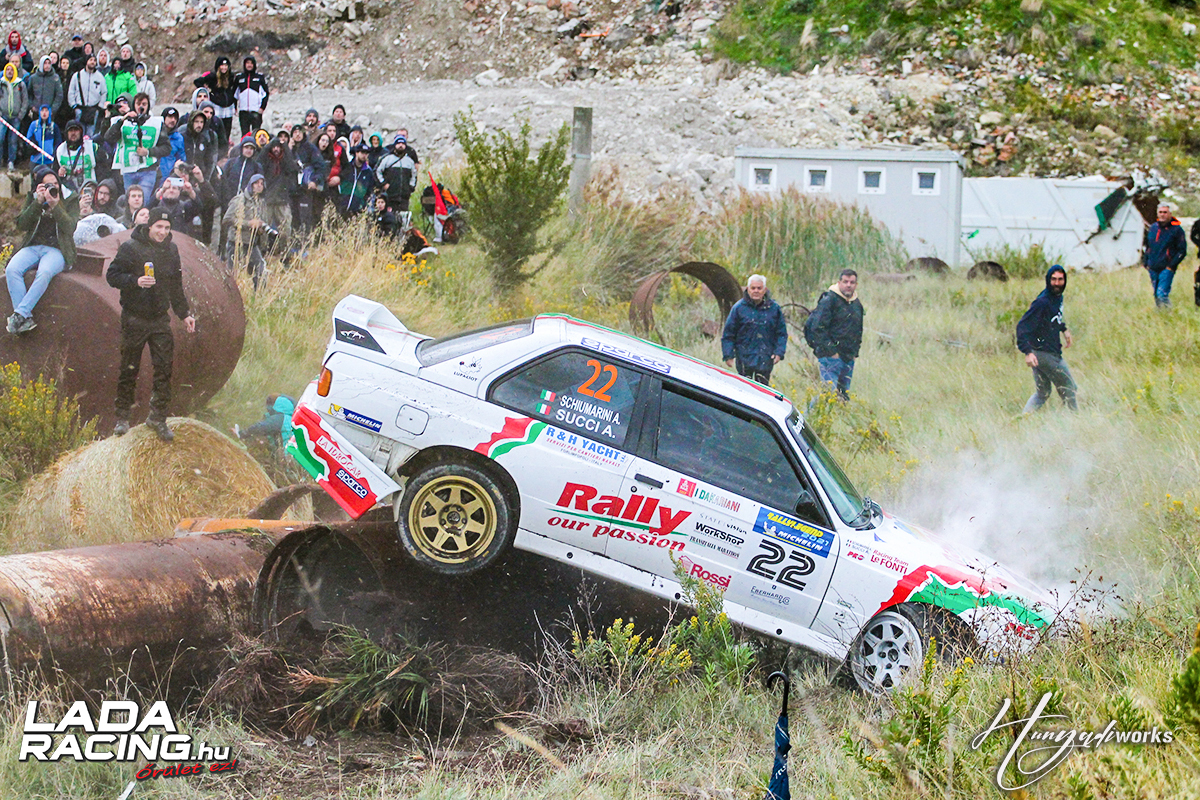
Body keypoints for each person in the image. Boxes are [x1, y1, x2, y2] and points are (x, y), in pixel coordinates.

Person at [106, 207, 195, 441]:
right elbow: (112, 276)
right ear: (149, 226)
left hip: (159, 319)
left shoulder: (171, 250)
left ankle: (158, 418)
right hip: (134, 317)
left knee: (164, 369)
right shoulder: (130, 247)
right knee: (129, 368)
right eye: (159, 227)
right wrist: (135, 281)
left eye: (167, 228)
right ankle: (122, 417)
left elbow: (176, 285)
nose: (163, 232)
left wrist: (185, 314)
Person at [6, 167, 78, 334]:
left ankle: (20, 314)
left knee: (44, 272)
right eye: (47, 185)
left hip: (57, 249)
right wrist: (37, 203)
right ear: (39, 186)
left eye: (55, 184)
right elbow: (22, 225)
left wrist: (56, 206)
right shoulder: (34, 198)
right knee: (11, 269)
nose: (52, 188)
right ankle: (25, 318)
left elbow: (70, 228)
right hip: (33, 246)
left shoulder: (70, 198)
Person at [1016, 264, 1077, 413]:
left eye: (1060, 279)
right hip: (1046, 354)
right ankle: (1077, 421)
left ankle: (1021, 420)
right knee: (1070, 389)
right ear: (1048, 280)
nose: (1057, 283)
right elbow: (1022, 326)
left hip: (1040, 353)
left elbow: (1052, 316)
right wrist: (1027, 352)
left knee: (1042, 393)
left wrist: (1063, 329)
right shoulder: (1042, 302)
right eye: (1053, 279)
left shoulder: (1057, 297)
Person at [804, 269, 863, 400]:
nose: (848, 285)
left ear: (856, 285)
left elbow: (858, 330)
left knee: (843, 396)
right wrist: (831, 352)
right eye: (845, 282)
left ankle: (837, 415)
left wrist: (855, 353)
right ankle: (809, 414)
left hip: (848, 357)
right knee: (828, 395)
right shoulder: (829, 300)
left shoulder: (856, 304)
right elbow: (817, 328)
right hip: (830, 357)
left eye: (852, 282)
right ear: (839, 283)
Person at [721, 274, 788, 386]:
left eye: (759, 288)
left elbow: (781, 333)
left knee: (762, 390)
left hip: (765, 358)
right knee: (744, 388)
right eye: (753, 288)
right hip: (744, 358)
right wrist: (728, 355)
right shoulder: (738, 308)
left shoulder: (774, 309)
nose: (756, 291)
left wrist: (779, 352)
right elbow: (728, 334)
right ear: (748, 289)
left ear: (764, 290)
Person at [105, 92, 162, 200]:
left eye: (144, 104)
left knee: (142, 200)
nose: (141, 107)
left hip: (147, 169)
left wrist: (148, 152)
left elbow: (166, 148)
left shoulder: (155, 123)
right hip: (128, 169)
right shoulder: (124, 121)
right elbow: (108, 137)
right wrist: (123, 119)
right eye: (138, 104)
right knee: (130, 202)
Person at [223, 173, 271, 288]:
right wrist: (248, 224)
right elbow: (227, 220)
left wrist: (260, 229)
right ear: (251, 184)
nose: (259, 186)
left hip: (252, 243)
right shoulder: (239, 200)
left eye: (261, 183)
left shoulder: (261, 202)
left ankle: (259, 295)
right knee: (232, 275)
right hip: (236, 242)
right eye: (256, 183)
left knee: (260, 270)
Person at [1143, 202, 1186, 308]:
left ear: (1170, 214)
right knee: (1156, 295)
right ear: (1157, 213)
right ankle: (1160, 315)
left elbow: (1182, 250)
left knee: (1162, 294)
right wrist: (1146, 262)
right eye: (1160, 212)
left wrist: (1171, 266)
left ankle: (1169, 313)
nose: (1162, 214)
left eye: (1165, 212)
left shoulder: (1176, 230)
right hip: (1153, 267)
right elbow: (1148, 246)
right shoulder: (1153, 228)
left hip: (1166, 268)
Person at [193, 57, 234, 150]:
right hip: (217, 105)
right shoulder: (212, 76)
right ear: (218, 66)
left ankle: (224, 149)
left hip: (229, 106)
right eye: (222, 65)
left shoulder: (231, 76)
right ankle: (215, 148)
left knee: (227, 129)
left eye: (226, 65)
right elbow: (197, 81)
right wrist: (208, 92)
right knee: (217, 126)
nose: (224, 68)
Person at [375, 133, 417, 217]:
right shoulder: (387, 159)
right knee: (390, 217)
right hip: (390, 195)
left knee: (403, 218)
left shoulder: (409, 161)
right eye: (398, 143)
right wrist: (384, 184)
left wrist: (410, 187)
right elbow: (377, 171)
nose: (400, 145)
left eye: (403, 143)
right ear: (394, 145)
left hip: (404, 197)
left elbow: (414, 175)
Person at [68, 54, 106, 138]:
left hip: (93, 110)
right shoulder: (77, 76)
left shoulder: (100, 77)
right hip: (80, 109)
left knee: (90, 136)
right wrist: (73, 105)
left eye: (94, 60)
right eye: (90, 60)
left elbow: (104, 92)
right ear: (86, 61)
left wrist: (100, 106)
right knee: (79, 134)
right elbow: (71, 91)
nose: (92, 62)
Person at [0, 62, 29, 170]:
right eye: (7, 70)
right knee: (0, 138)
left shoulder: (20, 84)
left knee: (13, 141)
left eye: (11, 70)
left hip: (16, 117)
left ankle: (11, 161)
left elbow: (25, 101)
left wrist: (21, 115)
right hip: (3, 116)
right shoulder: (1, 83)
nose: (9, 72)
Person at [233, 55, 268, 138]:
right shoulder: (239, 77)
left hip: (256, 111)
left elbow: (266, 94)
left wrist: (262, 108)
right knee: (244, 134)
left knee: (256, 134)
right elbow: (234, 94)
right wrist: (235, 108)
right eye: (247, 63)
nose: (249, 65)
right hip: (243, 111)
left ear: (254, 65)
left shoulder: (259, 77)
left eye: (251, 63)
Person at [338, 143, 376, 217]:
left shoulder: (368, 172)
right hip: (342, 206)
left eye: (366, 153)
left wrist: (363, 205)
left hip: (357, 211)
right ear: (356, 153)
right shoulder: (347, 167)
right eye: (362, 152)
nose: (364, 155)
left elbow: (369, 191)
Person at [55, 120, 97, 188]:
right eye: (70, 131)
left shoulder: (91, 146)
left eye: (76, 130)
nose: (73, 133)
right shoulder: (60, 150)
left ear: (81, 132)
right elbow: (55, 172)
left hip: (90, 187)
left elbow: (102, 167)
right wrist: (59, 174)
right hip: (70, 190)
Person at [28, 57, 64, 124]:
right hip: (36, 111)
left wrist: (53, 109)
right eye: (45, 63)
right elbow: (29, 93)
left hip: (50, 112)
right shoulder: (33, 78)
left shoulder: (55, 78)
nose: (47, 66)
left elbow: (59, 95)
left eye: (49, 63)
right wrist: (32, 106)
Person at [27, 104, 61, 169]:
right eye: (42, 110)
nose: (44, 113)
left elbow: (58, 142)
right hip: (35, 160)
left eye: (46, 111)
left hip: (49, 160)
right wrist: (32, 147)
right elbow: (28, 140)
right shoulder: (34, 125)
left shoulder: (53, 126)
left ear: (50, 113)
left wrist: (54, 154)